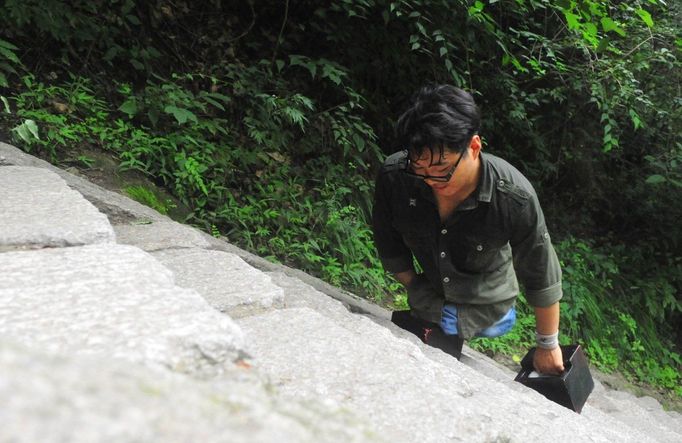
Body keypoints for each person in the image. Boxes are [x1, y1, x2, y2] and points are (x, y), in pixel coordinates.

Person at [372, 84, 565, 374]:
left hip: (488, 296)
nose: (429, 180)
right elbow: (389, 244)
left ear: (474, 147)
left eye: (441, 171)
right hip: (432, 288)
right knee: (437, 317)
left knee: (483, 320)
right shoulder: (397, 176)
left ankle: (477, 317)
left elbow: (541, 273)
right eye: (419, 169)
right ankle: (440, 312)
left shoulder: (513, 196)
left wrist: (548, 344)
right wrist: (416, 288)